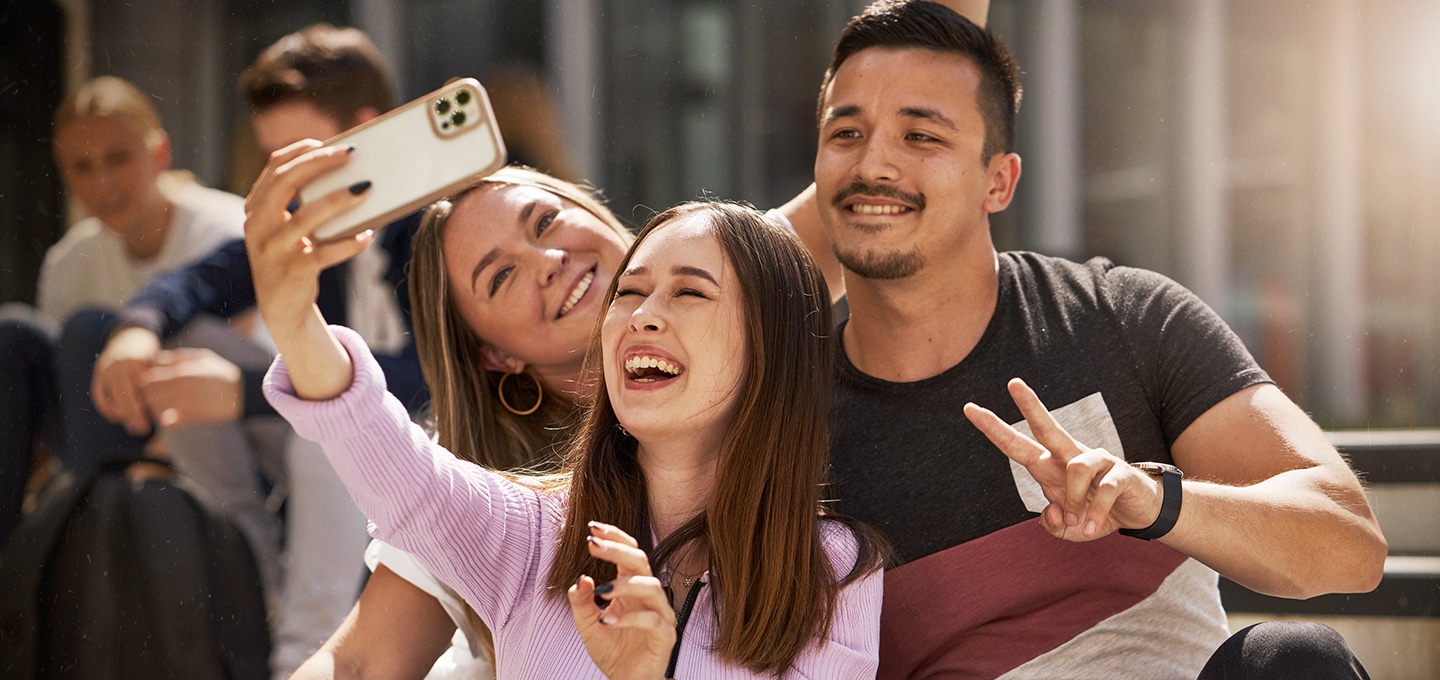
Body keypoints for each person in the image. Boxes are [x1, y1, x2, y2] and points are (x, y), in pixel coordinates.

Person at [809, 2, 1386, 679]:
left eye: (922, 137)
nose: (873, 163)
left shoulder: (1121, 316)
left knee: (1292, 661)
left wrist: (1154, 500)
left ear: (999, 181)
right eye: (845, 133)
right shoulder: (789, 418)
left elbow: (1350, 543)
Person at [246, 135, 886, 677]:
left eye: (688, 293)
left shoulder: (839, 568)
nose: (645, 314)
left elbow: (874, 169)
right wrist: (293, 318)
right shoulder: (525, 533)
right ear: (496, 357)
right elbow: (380, 457)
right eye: (630, 296)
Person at [86, 24, 424, 679]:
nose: (285, 183)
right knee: (184, 341)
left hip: (421, 446)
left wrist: (240, 393)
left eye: (302, 156)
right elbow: (197, 280)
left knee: (323, 441)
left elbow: (431, 382)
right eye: (273, 160)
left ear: (366, 132)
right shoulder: (305, 219)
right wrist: (137, 329)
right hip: (313, 435)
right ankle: (253, 577)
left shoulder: (437, 226)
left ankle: (301, 658)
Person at [0, 75, 252, 546]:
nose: (104, 182)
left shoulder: (224, 230)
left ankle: (103, 536)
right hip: (106, 433)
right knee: (12, 334)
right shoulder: (67, 263)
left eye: (118, 158)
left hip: (220, 429)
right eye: (82, 167)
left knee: (88, 330)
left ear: (159, 154)